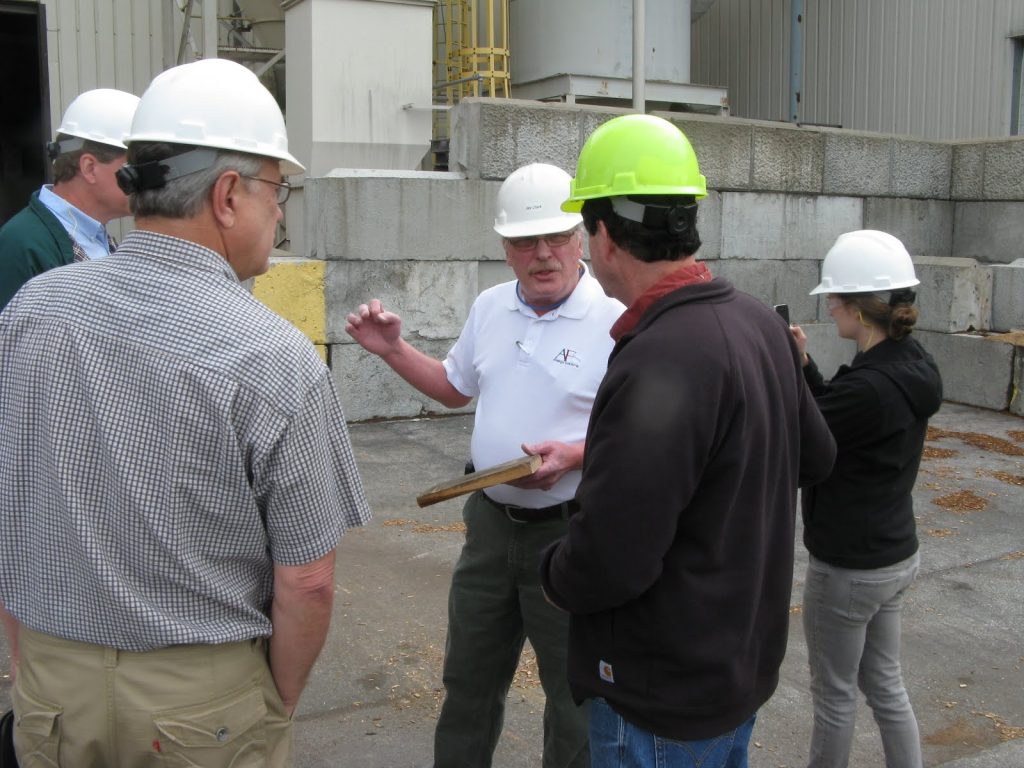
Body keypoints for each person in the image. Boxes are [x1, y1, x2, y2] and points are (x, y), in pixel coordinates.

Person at [0, 58, 371, 767]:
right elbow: (308, 580)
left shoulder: (33, 310)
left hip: (51, 686)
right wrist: (274, 705)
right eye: (278, 188)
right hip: (202, 707)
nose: (281, 210)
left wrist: (27, 650)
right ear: (229, 194)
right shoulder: (273, 356)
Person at [539, 113, 838, 768]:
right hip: (736, 670)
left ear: (607, 235)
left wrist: (555, 574)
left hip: (659, 694)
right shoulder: (759, 322)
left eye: (585, 232)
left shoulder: (659, 359)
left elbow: (614, 557)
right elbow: (818, 456)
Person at [345, 162, 624, 768]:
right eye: (525, 242)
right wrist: (393, 349)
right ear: (505, 248)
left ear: (581, 238)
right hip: (492, 530)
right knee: (468, 682)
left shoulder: (616, 322)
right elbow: (454, 388)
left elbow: (641, 437)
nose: (542, 254)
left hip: (570, 532)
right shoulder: (492, 307)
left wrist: (575, 454)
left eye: (555, 238)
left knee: (574, 700)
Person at [789, 230, 942, 768]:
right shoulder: (912, 364)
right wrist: (805, 366)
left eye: (834, 299)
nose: (830, 308)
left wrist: (783, 374)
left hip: (848, 568)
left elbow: (809, 434)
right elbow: (837, 412)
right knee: (885, 685)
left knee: (833, 697)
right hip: (896, 554)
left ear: (858, 307)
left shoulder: (869, 389)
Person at [0, 87, 140, 309]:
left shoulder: (95, 237)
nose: (145, 178)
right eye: (134, 166)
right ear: (89, 168)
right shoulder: (22, 244)